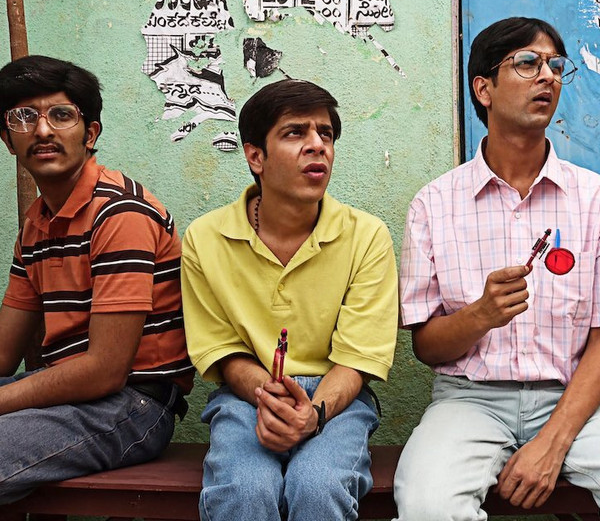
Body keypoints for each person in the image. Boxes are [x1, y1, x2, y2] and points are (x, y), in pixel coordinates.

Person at [394, 16, 600, 519]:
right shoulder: (434, 205)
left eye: (555, 66)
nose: (547, 76)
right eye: (527, 63)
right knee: (426, 506)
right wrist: (480, 315)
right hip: (469, 402)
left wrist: (553, 442)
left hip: (576, 400)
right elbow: (425, 346)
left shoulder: (593, 199)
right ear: (483, 89)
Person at [182, 78, 398, 521]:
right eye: (295, 132)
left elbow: (358, 359)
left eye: (326, 134)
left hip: (337, 401)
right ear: (255, 156)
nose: (317, 145)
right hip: (248, 395)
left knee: (318, 488)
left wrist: (313, 414)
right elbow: (221, 350)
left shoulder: (366, 236)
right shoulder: (205, 238)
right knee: (244, 490)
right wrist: (270, 397)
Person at [0, 55, 194, 505]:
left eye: (61, 115)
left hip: (132, 403)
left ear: (90, 134)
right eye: (23, 117)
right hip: (65, 396)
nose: (42, 130)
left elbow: (105, 371)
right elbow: (5, 353)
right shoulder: (35, 225)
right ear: (7, 139)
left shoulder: (119, 213)